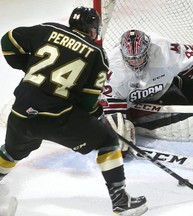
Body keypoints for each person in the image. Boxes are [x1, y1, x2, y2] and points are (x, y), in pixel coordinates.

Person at [0, 7, 147, 216]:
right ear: (93, 30)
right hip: (57, 118)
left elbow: (8, 41)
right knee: (108, 141)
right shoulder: (97, 54)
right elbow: (88, 105)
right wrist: (98, 117)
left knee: (12, 151)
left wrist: (28, 68)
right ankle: (121, 201)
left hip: (21, 114)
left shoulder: (47, 29)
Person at [103, 29, 193, 114]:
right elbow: (110, 106)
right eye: (132, 59)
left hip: (164, 90)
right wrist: (117, 128)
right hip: (133, 106)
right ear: (122, 54)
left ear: (147, 50)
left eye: (139, 57)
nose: (136, 62)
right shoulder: (112, 69)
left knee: (183, 104)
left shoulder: (164, 49)